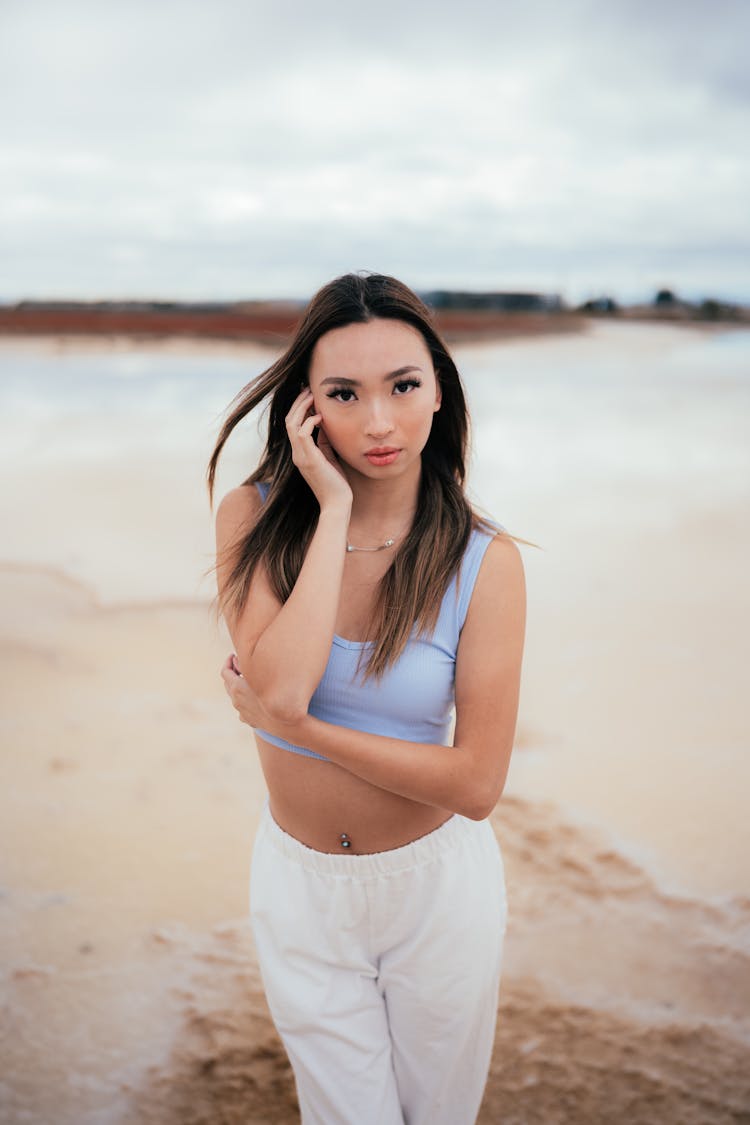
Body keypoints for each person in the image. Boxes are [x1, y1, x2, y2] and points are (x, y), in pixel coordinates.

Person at [207, 271, 526, 1125]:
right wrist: (334, 507)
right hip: (302, 886)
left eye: (403, 386)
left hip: (436, 893)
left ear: (438, 395)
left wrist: (308, 730)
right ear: (305, 409)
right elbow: (276, 683)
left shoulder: (484, 562)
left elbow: (475, 784)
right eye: (344, 393)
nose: (378, 421)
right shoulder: (254, 516)